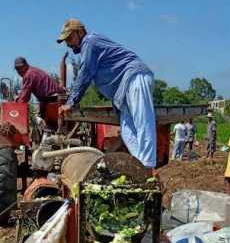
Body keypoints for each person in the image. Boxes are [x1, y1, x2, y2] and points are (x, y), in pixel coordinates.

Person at [56, 18, 157, 168]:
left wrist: (71, 102)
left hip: (133, 77)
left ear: (80, 32)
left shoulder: (90, 41)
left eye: (70, 38)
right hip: (123, 91)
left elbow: (85, 73)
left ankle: (148, 168)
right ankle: (140, 167)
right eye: (66, 41)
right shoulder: (88, 47)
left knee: (143, 123)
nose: (69, 43)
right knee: (127, 131)